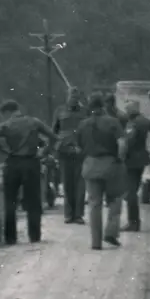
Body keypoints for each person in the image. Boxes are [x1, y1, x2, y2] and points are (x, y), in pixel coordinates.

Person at [0, 100, 56, 245]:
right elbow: (53, 136)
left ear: (7, 112)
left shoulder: (7, 125)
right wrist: (44, 151)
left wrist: (3, 150)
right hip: (31, 162)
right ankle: (34, 236)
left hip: (13, 163)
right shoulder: (34, 122)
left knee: (10, 201)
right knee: (34, 201)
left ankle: (11, 238)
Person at [76, 92, 126, 249]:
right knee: (115, 200)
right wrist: (120, 159)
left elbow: (78, 147)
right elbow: (122, 143)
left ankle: (95, 242)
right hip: (110, 164)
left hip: (90, 165)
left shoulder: (82, 124)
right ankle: (111, 232)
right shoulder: (113, 122)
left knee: (94, 204)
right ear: (103, 106)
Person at [121, 100, 150, 232]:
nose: (126, 112)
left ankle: (133, 222)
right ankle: (134, 222)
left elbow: (129, 142)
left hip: (131, 162)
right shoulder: (144, 121)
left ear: (131, 111)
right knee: (132, 191)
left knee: (130, 193)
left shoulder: (134, 123)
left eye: (127, 110)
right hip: (141, 161)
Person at [52, 87, 87, 225]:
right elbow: (54, 131)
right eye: (71, 96)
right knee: (67, 183)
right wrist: (54, 149)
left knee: (80, 185)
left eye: (76, 97)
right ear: (67, 97)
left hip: (81, 151)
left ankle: (78, 215)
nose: (73, 99)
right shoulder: (59, 111)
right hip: (64, 151)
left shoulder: (85, 112)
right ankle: (68, 214)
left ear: (79, 99)